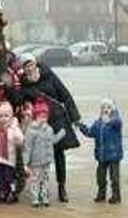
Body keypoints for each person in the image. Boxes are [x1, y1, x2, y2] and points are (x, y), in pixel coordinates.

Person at [15, 53, 81, 202]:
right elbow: (18, 100)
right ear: (23, 69)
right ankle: (41, 188)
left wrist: (75, 117)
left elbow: (65, 95)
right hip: (41, 125)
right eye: (26, 66)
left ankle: (62, 187)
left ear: (35, 64)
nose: (29, 68)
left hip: (57, 120)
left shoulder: (49, 75)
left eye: (31, 64)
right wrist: (10, 86)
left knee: (59, 154)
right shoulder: (24, 85)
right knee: (40, 158)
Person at [77, 97, 124, 204]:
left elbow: (118, 123)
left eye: (108, 107)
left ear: (113, 109)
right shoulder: (98, 123)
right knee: (100, 176)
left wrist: (110, 119)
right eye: (103, 107)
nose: (105, 109)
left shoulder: (115, 121)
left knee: (114, 177)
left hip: (114, 154)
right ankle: (101, 193)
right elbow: (90, 132)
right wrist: (81, 126)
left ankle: (116, 196)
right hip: (101, 155)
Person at [23, 98, 64, 207]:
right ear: (36, 116)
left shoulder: (49, 129)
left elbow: (53, 141)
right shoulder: (31, 130)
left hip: (46, 160)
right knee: (35, 180)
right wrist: (25, 162)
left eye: (45, 116)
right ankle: (35, 198)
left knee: (45, 179)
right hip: (35, 162)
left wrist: (61, 134)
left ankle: (45, 197)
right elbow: (28, 147)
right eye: (41, 116)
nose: (43, 119)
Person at [0, 101, 24, 203]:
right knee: (0, 176)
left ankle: (12, 191)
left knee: (9, 176)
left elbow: (20, 139)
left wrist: (16, 133)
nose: (3, 118)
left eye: (6, 116)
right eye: (1, 116)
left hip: (9, 158)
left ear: (11, 116)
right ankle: (2, 191)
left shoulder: (14, 126)